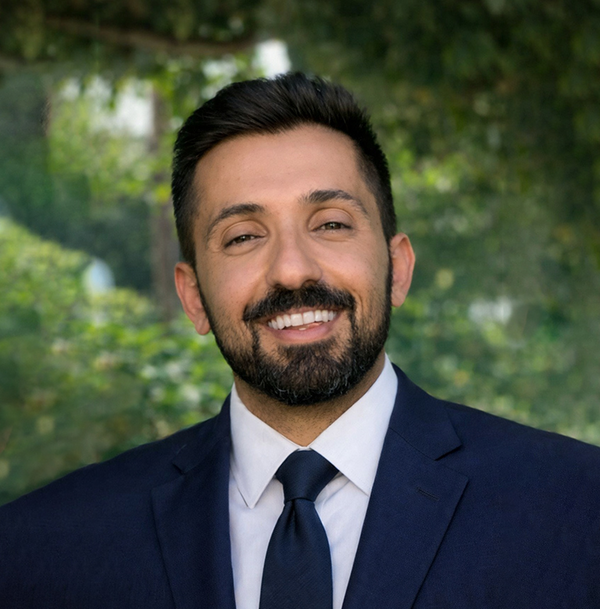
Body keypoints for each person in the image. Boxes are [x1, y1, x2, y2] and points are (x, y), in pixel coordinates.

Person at [1, 72, 599, 609]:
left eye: (331, 224)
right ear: (193, 297)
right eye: (243, 236)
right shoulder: (42, 550)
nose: (292, 270)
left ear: (398, 268)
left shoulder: (578, 511)